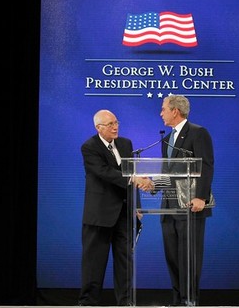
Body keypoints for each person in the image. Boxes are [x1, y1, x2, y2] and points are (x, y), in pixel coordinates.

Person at [79, 109, 152, 306]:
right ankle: (88, 303)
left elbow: (132, 173)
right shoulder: (89, 147)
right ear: (98, 128)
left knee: (125, 261)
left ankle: (126, 302)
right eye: (110, 124)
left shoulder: (125, 143)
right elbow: (105, 173)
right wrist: (133, 179)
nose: (115, 127)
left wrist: (137, 205)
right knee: (94, 263)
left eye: (116, 122)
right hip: (99, 214)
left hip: (124, 213)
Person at [159, 95, 214, 306]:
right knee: (172, 257)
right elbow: (168, 172)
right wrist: (153, 185)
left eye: (163, 108)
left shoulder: (198, 133)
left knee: (189, 257)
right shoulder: (166, 140)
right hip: (169, 207)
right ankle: (177, 301)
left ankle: (189, 301)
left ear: (175, 111)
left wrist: (201, 196)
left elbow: (206, 166)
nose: (161, 112)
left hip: (191, 206)